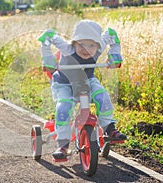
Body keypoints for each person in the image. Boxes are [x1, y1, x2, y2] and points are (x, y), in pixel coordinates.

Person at [38, 20, 127, 160]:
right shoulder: (67, 49)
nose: (86, 49)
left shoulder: (98, 48)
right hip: (64, 83)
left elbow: (112, 34)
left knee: (102, 96)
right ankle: (63, 144)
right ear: (74, 43)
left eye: (91, 45)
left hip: (87, 80)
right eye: (81, 44)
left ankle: (109, 128)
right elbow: (47, 36)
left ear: (97, 45)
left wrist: (114, 56)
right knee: (64, 106)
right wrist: (48, 60)